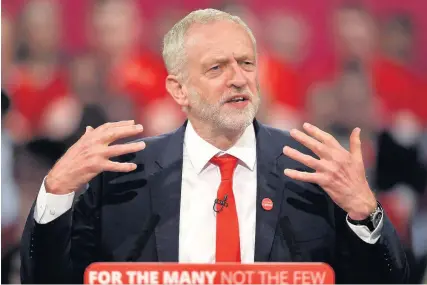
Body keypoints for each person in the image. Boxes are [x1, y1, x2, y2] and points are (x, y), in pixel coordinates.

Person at [20, 9, 409, 284]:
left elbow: (388, 281)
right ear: (178, 89)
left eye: (246, 63)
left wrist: (366, 213)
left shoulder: (311, 170)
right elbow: (50, 281)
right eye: (216, 68)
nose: (238, 79)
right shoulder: (125, 177)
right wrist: (56, 192)